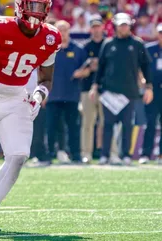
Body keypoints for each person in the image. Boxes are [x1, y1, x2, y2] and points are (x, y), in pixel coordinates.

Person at [0, 0, 62, 231]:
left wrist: (38, 95)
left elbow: (45, 78)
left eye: (40, 6)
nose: (35, 12)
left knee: (18, 156)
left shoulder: (51, 37)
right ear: (19, 6)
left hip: (17, 97)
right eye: (31, 5)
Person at [89, 13, 153, 166]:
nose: (124, 27)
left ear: (129, 25)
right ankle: (105, 155)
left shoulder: (137, 44)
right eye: (121, 25)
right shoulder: (108, 44)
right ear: (116, 26)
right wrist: (95, 86)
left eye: (126, 25)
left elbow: (146, 66)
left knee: (127, 126)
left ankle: (126, 155)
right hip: (109, 91)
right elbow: (101, 67)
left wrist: (149, 87)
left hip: (130, 92)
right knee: (108, 125)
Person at [45, 20, 88, 165]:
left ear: (69, 31)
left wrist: (82, 72)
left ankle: (76, 155)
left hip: (71, 95)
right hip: (53, 95)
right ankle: (49, 155)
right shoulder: (49, 48)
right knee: (51, 127)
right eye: (59, 29)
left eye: (65, 30)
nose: (62, 33)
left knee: (73, 127)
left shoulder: (78, 49)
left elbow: (88, 67)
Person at [80, 16, 105, 164]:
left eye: (98, 26)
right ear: (91, 29)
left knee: (107, 123)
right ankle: (86, 154)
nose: (96, 29)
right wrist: (90, 66)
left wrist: (98, 65)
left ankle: (110, 153)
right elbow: (81, 70)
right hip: (87, 88)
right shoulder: (85, 46)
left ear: (102, 27)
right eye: (93, 27)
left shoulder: (108, 44)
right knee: (87, 123)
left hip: (106, 88)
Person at [139, 23, 162, 165]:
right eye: (160, 33)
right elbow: (140, 66)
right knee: (150, 122)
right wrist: (143, 82)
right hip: (152, 91)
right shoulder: (149, 48)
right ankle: (146, 154)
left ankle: (161, 155)